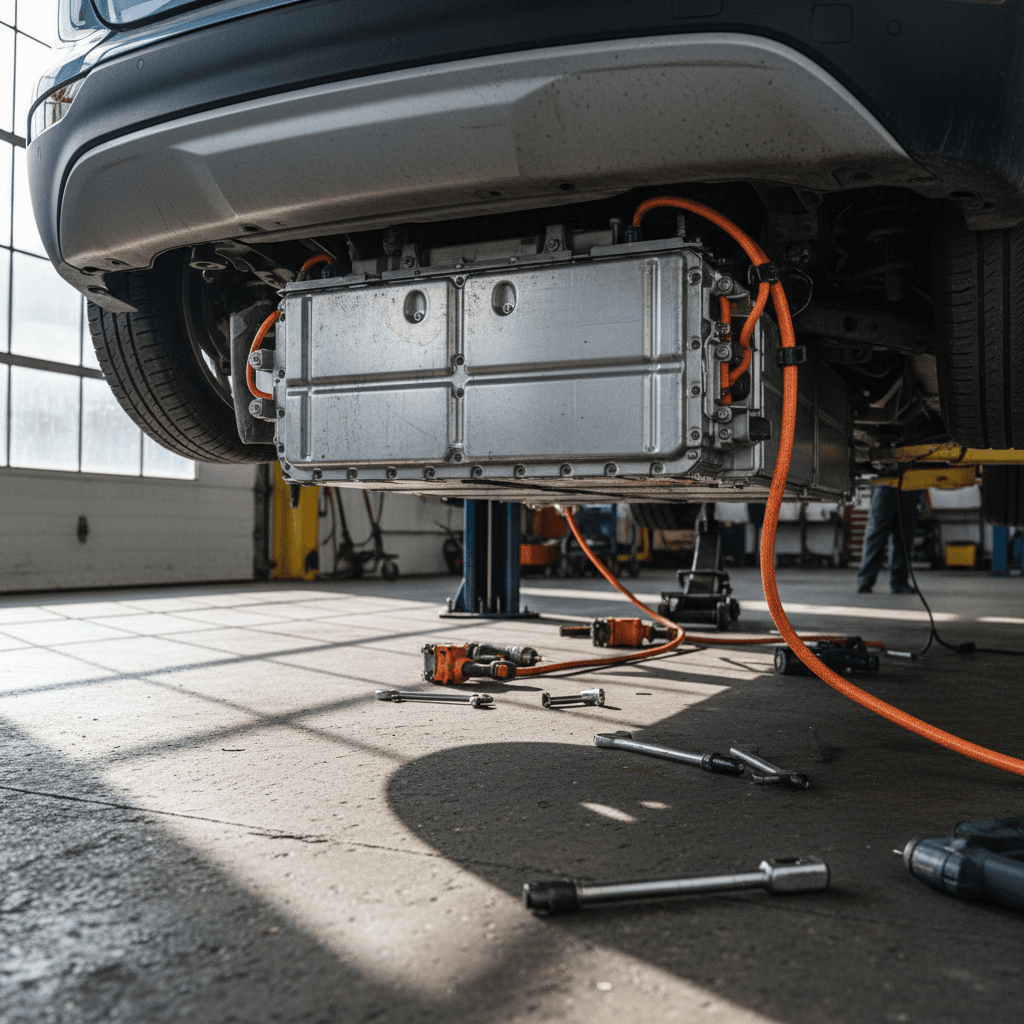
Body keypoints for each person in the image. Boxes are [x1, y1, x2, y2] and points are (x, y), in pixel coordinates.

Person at [856, 485, 924, 594]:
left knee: (904, 537)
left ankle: (899, 582)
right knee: (876, 537)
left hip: (911, 487)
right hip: (886, 485)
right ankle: (865, 580)